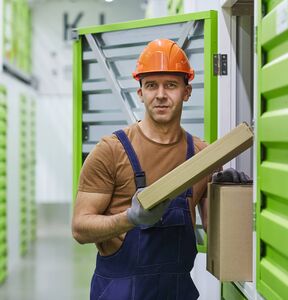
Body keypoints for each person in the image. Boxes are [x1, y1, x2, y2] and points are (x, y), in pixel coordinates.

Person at [72, 39, 250, 300]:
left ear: (187, 92)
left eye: (171, 85)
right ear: (140, 93)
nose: (161, 95)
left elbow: (221, 240)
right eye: (151, 85)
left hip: (176, 292)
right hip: (120, 291)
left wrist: (231, 194)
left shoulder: (203, 157)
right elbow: (79, 228)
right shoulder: (111, 150)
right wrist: (129, 219)